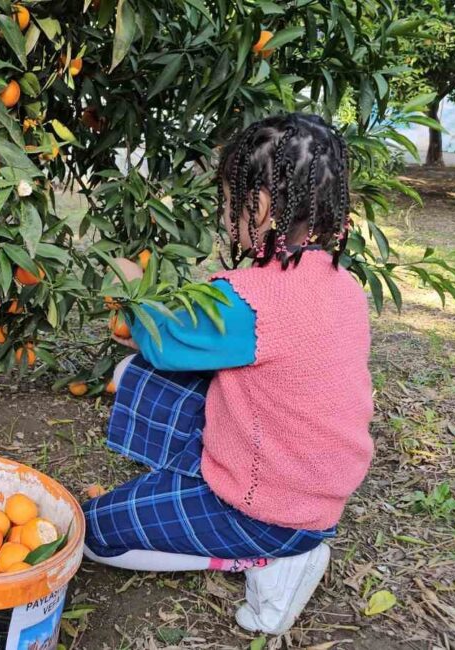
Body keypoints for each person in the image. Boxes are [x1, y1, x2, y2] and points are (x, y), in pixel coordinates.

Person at [85, 113, 374, 635]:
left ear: (258, 207)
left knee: (94, 533)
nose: (225, 215)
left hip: (266, 512)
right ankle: (226, 506)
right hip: (308, 483)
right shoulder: (342, 285)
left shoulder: (249, 300)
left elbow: (164, 339)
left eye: (228, 202)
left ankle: (263, 560)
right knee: (141, 374)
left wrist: (135, 292)